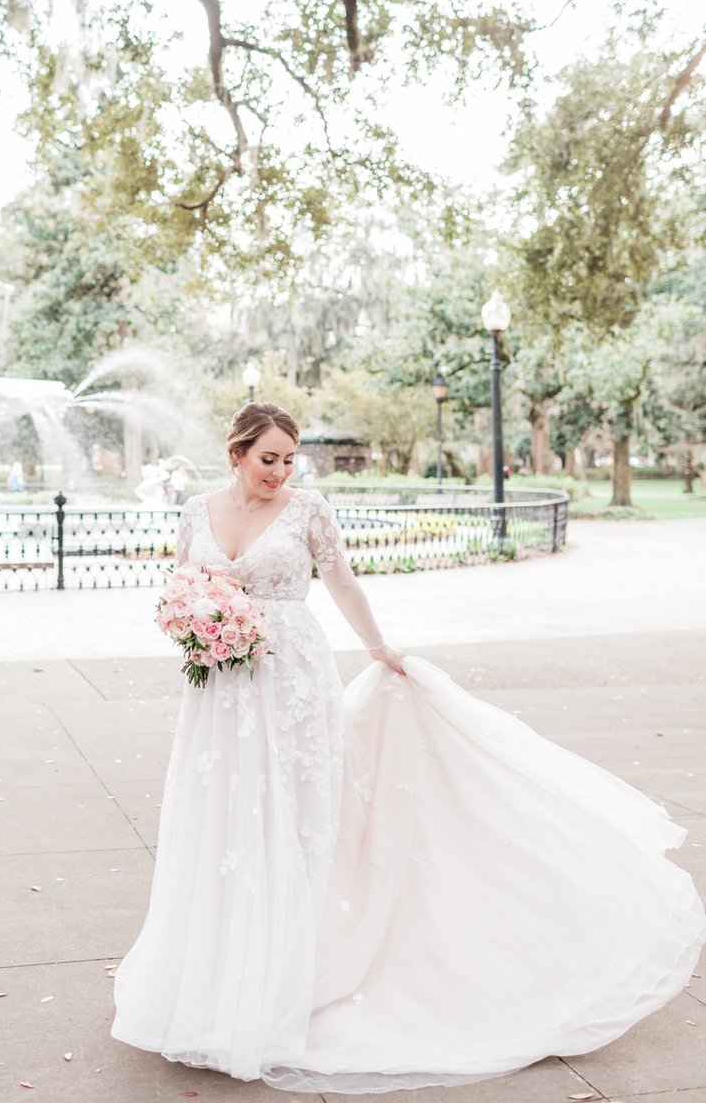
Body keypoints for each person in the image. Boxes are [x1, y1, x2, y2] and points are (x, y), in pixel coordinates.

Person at [111, 401, 705, 1094]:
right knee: (224, 819)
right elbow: (184, 586)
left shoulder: (307, 511)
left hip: (292, 680)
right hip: (219, 688)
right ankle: (217, 975)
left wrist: (378, 648)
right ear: (237, 453)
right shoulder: (195, 513)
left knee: (298, 820)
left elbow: (340, 583)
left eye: (287, 458)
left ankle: (287, 971)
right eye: (267, 457)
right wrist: (193, 623)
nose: (279, 470)